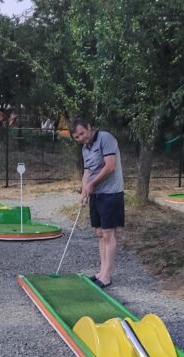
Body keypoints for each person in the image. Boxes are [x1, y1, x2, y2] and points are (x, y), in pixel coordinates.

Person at [70, 118, 125, 289]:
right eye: (77, 137)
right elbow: (87, 171)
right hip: (96, 194)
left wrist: (92, 184)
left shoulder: (105, 138)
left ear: (90, 127)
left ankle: (107, 276)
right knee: (100, 233)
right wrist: (84, 190)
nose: (81, 138)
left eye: (82, 133)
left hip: (111, 193)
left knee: (108, 234)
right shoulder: (85, 148)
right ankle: (101, 272)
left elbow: (110, 166)